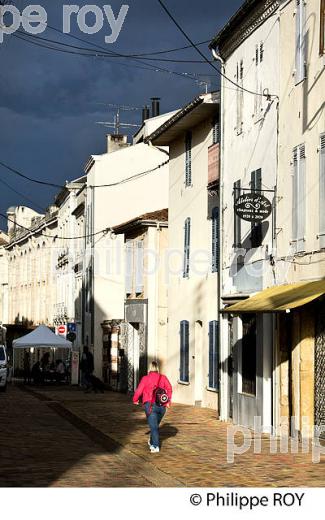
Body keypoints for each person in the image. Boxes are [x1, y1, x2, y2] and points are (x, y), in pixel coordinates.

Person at [133, 361, 172, 453]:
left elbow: (139, 391)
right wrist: (168, 401)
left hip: (150, 406)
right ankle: (151, 441)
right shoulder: (163, 377)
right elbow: (169, 388)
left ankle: (155, 446)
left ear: (149, 368)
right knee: (155, 425)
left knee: (154, 427)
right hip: (162, 406)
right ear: (157, 368)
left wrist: (135, 399)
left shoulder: (145, 378)